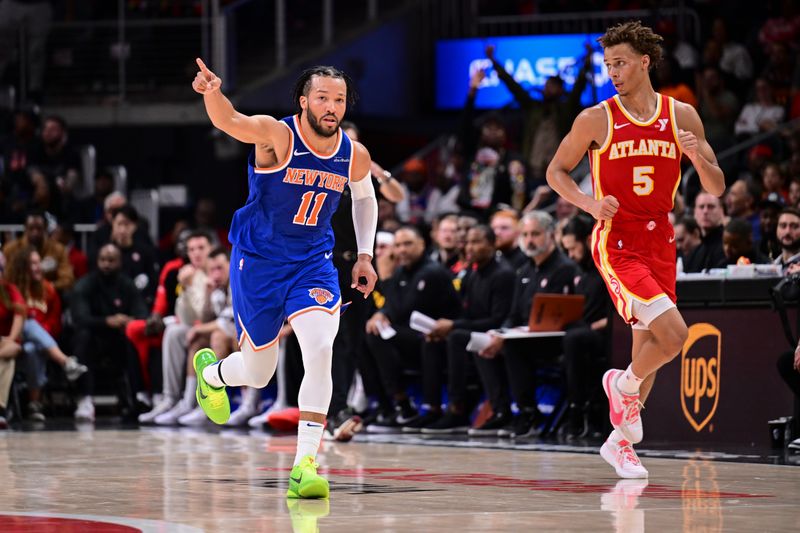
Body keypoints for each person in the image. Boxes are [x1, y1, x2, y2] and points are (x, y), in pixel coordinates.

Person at [546, 21, 725, 479]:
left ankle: (619, 441)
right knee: (674, 334)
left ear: (645, 62)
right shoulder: (595, 118)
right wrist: (588, 203)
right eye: (608, 64)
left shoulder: (681, 115)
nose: (613, 71)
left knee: (653, 344)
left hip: (661, 238)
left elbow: (717, 185)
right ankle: (621, 385)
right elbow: (555, 173)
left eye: (620, 62)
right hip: (618, 239)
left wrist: (696, 157)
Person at [192, 59, 377, 499]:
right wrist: (211, 93)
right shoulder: (279, 135)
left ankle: (305, 466)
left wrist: (366, 255)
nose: (332, 107)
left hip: (313, 262)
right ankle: (213, 374)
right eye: (323, 98)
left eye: (339, 99)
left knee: (318, 347)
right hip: (259, 261)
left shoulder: (354, 153)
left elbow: (365, 198)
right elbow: (230, 120)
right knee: (258, 374)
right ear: (304, 100)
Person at [5, 246, 87, 421]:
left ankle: (34, 404)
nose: (38, 267)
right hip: (12, 340)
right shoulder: (10, 289)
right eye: (32, 263)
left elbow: (55, 322)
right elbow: (12, 318)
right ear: (21, 266)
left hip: (40, 344)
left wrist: (43, 333)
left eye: (38, 263)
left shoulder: (48, 289)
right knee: (29, 323)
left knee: (33, 347)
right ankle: (66, 362)